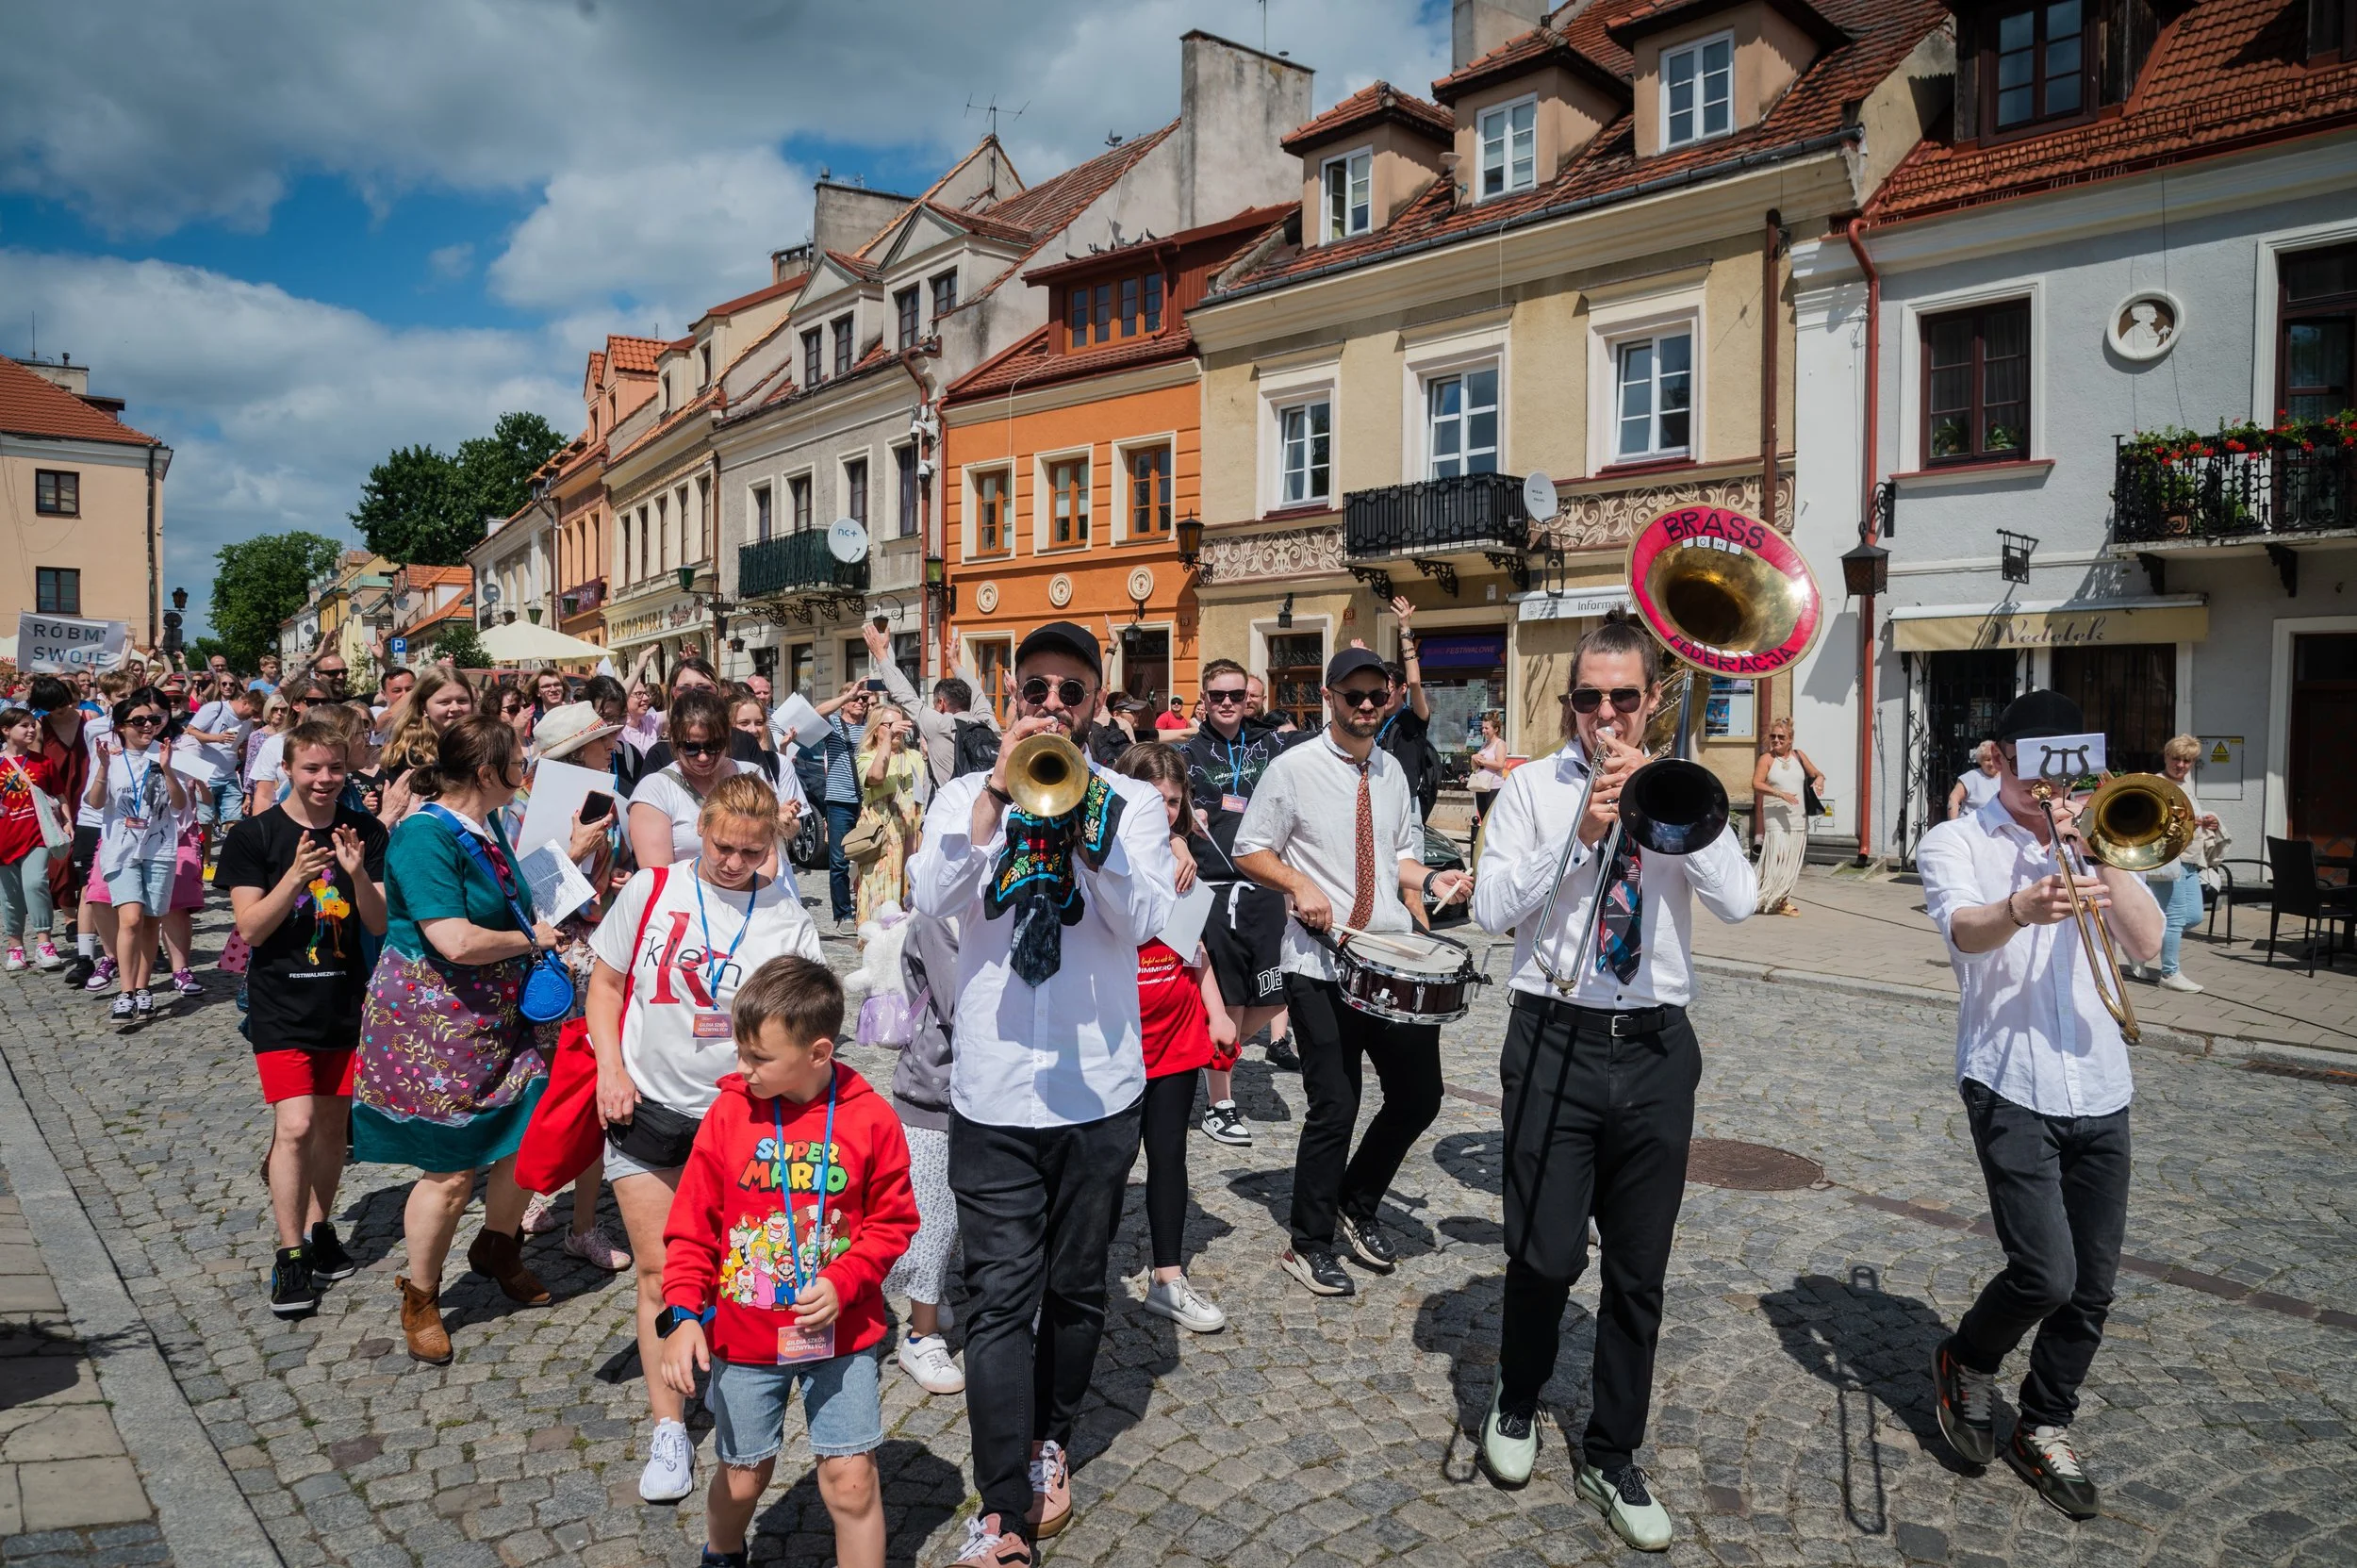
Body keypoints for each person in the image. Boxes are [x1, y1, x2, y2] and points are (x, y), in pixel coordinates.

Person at [1467, 616, 1758, 1544]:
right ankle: (1515, 1398)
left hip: (1655, 1045)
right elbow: (1488, 911)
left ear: (1651, 700)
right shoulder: (1527, 792)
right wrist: (1584, 838)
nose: (1603, 713)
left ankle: (1611, 1450)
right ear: (1568, 702)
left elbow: (1740, 902)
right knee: (1546, 1253)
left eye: (1621, 697)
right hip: (1552, 1031)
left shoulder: (1679, 789)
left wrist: (1676, 809)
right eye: (1588, 696)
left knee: (1638, 1270)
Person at [905, 620, 1176, 1568]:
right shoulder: (959, 796)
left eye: (1071, 691)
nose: (1052, 705)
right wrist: (992, 796)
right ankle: (1004, 1506)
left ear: (1098, 703)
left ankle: (1052, 1432)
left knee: (1075, 1287)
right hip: (993, 1089)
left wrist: (1084, 818)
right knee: (998, 1296)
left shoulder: (1132, 801)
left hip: (1100, 1090)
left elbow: (1140, 914)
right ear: (1011, 697)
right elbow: (931, 896)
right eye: (1037, 691)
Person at [1918, 689, 2164, 1521]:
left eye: (2069, 765)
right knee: (2046, 1271)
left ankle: (2048, 1420)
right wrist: (2020, 906)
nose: (2048, 784)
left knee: (2091, 1286)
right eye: (2033, 763)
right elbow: (1963, 931)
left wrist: (2091, 849)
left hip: (2099, 1084)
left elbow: (2149, 944)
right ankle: (1968, 1357)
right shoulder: (1956, 838)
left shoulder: (2095, 840)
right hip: (2008, 1077)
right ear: (2000, 758)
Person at [586, 775, 825, 1503]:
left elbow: (805, 1024)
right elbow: (604, 985)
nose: (733, 862)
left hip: (740, 1118)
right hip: (648, 1105)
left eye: (752, 852)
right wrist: (609, 1067)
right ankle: (667, 1424)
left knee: (736, 1264)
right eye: (723, 846)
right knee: (661, 1272)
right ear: (704, 829)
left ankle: (725, 1369)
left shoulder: (786, 916)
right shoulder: (652, 889)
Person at [656, 957, 915, 1568]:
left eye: (758, 1057)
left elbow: (894, 1221)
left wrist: (844, 1277)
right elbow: (692, 1224)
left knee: (851, 1479)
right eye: (740, 1051)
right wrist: (684, 1313)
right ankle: (722, 1549)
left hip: (842, 1334)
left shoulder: (871, 1118)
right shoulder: (728, 1114)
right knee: (745, 1476)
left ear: (819, 1051)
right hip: (745, 1339)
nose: (740, 1068)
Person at [1232, 647, 1472, 1300]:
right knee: (1336, 1104)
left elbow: (1401, 857)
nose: (1367, 705)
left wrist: (1433, 878)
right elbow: (1249, 847)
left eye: (1377, 695)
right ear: (1330, 696)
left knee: (1420, 1096)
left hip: (1389, 957)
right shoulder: (1293, 769)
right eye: (1354, 695)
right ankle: (1308, 1243)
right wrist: (1298, 883)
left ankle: (1356, 1197)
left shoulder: (1393, 771)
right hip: (1319, 962)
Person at [353, 716, 561, 1365]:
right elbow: (455, 939)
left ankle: (496, 1245)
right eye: (518, 758)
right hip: (435, 1025)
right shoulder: (421, 835)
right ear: (485, 772)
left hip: (496, 1015)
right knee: (450, 1171)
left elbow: (508, 898)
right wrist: (535, 942)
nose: (525, 767)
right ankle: (421, 1292)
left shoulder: (484, 824)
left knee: (527, 1137)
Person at [217, 718, 389, 1317]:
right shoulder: (254, 836)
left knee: (331, 1133)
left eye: (334, 769)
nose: (324, 779)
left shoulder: (364, 830)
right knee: (293, 1126)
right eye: (312, 768)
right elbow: (249, 929)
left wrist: (357, 870)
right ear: (287, 768)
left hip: (345, 1003)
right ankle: (290, 1256)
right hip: (280, 1005)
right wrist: (295, 875)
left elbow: (376, 923)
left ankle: (319, 1229)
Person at [1113, 742, 1227, 1334]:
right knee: (1106, 1162)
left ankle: (1167, 1276)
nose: (1161, 814)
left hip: (1176, 1033)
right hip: (1115, 1038)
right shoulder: (1101, 858)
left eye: (1173, 804)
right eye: (1150, 802)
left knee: (1169, 1156)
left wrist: (1217, 1012)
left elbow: (1193, 951)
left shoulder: (1185, 867)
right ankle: (1081, 1277)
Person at [1178, 658, 1299, 1147]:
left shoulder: (1272, 746)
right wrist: (1176, 843)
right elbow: (1160, 804)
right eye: (1217, 696)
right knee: (1225, 999)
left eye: (1235, 694)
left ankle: (1211, 1049)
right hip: (1212, 891)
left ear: (1249, 698)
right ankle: (1219, 1103)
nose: (1227, 703)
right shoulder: (1186, 754)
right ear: (1203, 700)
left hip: (1265, 887)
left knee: (1273, 995)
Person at [882, 909, 965, 1396]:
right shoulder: (940, 916)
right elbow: (960, 1001)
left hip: (986, 1091)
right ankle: (921, 1332)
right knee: (934, 1216)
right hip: (933, 1091)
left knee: (966, 1211)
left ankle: (932, 1296)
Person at [85, 687, 189, 1026]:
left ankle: (143, 989)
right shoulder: (109, 757)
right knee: (130, 919)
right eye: (139, 720)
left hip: (159, 850)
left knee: (150, 922)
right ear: (120, 726)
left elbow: (179, 805)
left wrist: (169, 769)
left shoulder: (167, 753)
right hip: (122, 851)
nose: (148, 725)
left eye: (154, 719)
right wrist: (102, 768)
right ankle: (125, 993)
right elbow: (96, 802)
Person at [629, 690, 803, 869]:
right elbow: (658, 877)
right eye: (691, 748)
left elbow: (769, 855)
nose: (703, 757)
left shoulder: (752, 774)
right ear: (673, 740)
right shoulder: (656, 789)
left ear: (728, 738)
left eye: (713, 746)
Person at [857, 621, 997, 790]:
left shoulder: (941, 725)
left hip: (952, 811)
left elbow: (906, 695)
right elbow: (977, 692)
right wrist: (954, 663)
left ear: (941, 703)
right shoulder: (987, 722)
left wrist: (880, 655)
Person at [2135, 734, 2222, 994]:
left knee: (2193, 916)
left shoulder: (2185, 784)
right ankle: (2170, 973)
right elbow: (2149, 819)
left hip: (2190, 861)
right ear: (2166, 757)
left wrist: (2207, 821)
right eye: (2176, 758)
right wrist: (2191, 822)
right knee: (2173, 919)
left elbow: (2189, 816)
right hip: (2168, 861)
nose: (2181, 765)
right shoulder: (2157, 783)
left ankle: (2138, 943)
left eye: (2187, 760)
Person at [31, 678, 92, 982]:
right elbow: (34, 767)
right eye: (53, 707)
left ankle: (90, 912)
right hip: (57, 800)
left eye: (63, 702)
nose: (61, 709)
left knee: (90, 858)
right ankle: (70, 917)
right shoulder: (40, 727)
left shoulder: (90, 719)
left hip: (89, 796)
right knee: (62, 860)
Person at [806, 682, 874, 931]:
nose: (860, 702)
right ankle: (843, 915)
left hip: (868, 800)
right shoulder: (834, 726)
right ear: (844, 701)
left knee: (871, 855)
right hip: (840, 801)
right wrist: (849, 694)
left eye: (864, 699)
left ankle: (868, 907)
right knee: (839, 861)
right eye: (857, 698)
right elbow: (814, 714)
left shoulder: (870, 727)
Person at [0, 708, 63, 971]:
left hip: (37, 834)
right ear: (6, 730)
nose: (31, 730)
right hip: (4, 838)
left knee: (36, 882)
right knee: (9, 895)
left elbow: (60, 795)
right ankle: (15, 946)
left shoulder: (43, 762)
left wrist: (68, 821)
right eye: (24, 726)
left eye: (32, 725)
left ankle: (44, 942)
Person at [852, 704, 920, 926]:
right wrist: (887, 741)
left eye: (899, 724)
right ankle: (876, 947)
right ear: (875, 729)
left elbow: (920, 801)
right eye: (889, 725)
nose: (896, 730)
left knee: (908, 898)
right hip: (880, 841)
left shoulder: (915, 757)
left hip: (909, 835)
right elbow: (876, 776)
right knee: (881, 897)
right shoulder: (866, 757)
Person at [1751, 718, 1825, 916]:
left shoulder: (1799, 756)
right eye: (1773, 736)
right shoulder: (1766, 759)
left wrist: (1819, 779)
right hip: (1775, 815)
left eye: (1781, 737)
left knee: (1791, 860)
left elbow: (1817, 773)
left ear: (1790, 739)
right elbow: (1756, 784)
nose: (1776, 740)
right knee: (1777, 856)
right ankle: (1764, 896)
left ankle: (1781, 898)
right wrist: (1779, 793)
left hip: (1798, 816)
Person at [1376, 598, 1437, 823]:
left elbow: (1414, 681)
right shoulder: (1374, 719)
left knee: (1408, 859)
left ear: (1401, 689)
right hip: (1377, 800)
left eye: (1388, 689)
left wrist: (1404, 630)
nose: (1383, 696)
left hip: (1406, 805)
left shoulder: (1415, 718)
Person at [186, 673, 254, 855]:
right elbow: (190, 731)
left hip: (229, 774)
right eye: (224, 683)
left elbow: (238, 748)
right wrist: (218, 738)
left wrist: (242, 749)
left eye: (232, 683)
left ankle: (230, 857)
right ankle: (206, 858)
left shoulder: (248, 721)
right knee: (205, 821)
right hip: (206, 775)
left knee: (234, 818)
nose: (228, 686)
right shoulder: (215, 708)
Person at [1467, 713, 1508, 828]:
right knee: (1484, 819)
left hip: (1493, 787)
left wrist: (1483, 761)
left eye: (1486, 728)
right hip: (1481, 786)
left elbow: (1500, 764)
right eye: (1483, 728)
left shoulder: (1500, 744)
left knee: (1492, 820)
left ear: (1496, 729)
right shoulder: (1484, 744)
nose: (1483, 731)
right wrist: (1473, 759)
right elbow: (1476, 768)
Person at [1949, 740, 2003, 819]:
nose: (1991, 764)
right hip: (1971, 826)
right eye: (1987, 760)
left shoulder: (2006, 778)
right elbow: (1953, 798)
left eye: (1993, 759)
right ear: (1980, 761)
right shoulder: (1971, 777)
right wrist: (1953, 824)